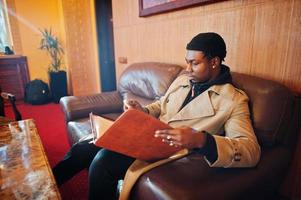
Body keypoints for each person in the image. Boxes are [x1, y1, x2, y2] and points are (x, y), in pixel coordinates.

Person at [53, 32, 261, 199]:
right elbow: (162, 105)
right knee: (82, 149)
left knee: (103, 162)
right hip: (146, 134)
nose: (187, 69)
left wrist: (202, 140)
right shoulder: (183, 80)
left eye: (194, 63)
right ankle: (43, 189)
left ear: (214, 62)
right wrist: (142, 111)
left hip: (170, 152)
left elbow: (250, 150)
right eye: (187, 62)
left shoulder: (233, 100)